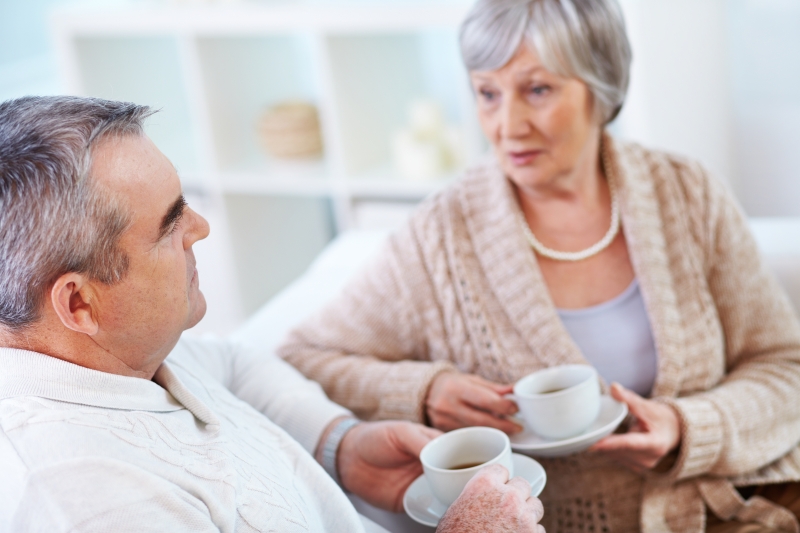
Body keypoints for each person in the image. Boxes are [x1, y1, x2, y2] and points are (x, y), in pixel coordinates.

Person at [277, 0, 800, 531]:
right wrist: (424, 391)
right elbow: (302, 357)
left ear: (600, 87)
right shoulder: (441, 237)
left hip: (731, 509)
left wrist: (688, 426)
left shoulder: (687, 194)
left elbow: (785, 366)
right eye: (488, 93)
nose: (508, 125)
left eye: (537, 90)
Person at [0, 95, 546, 533]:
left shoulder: (122, 352)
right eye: (170, 224)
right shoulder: (80, 498)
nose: (200, 228)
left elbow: (237, 365)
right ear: (80, 303)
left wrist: (341, 445)